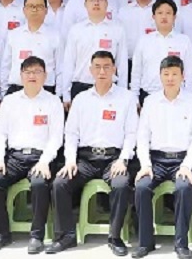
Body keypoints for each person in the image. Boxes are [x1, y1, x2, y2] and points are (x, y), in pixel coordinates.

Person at [49, 51, 138, 254]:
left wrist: (123, 160)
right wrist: (70, 160)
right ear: (90, 70)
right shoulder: (81, 99)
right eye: (97, 67)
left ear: (114, 69)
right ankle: (66, 236)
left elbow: (131, 134)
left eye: (106, 67)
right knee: (60, 183)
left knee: (121, 184)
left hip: (113, 158)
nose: (102, 71)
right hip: (86, 159)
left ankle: (115, 237)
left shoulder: (126, 98)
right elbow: (71, 133)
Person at [0, 56, 64, 253]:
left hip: (41, 158)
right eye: (27, 72)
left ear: (45, 76)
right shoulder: (10, 101)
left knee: (39, 183)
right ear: (20, 76)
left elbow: (56, 138)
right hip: (14, 157)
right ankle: (1, 234)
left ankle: (36, 236)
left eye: (37, 72)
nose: (32, 76)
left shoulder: (53, 102)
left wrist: (44, 161)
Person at [133, 56, 192, 259]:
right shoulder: (150, 101)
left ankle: (181, 243)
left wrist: (187, 165)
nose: (170, 78)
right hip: (156, 160)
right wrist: (145, 164)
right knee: (141, 187)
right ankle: (145, 242)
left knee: (183, 188)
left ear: (183, 76)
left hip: (182, 160)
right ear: (160, 76)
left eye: (174, 74)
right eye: (166, 74)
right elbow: (142, 137)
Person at [131, 0, 192, 106]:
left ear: (174, 17)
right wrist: (135, 98)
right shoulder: (144, 40)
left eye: (168, 13)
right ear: (153, 16)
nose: (164, 16)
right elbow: (136, 72)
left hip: (177, 98)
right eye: (160, 13)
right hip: (149, 95)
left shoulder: (184, 41)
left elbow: (189, 73)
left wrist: (189, 97)